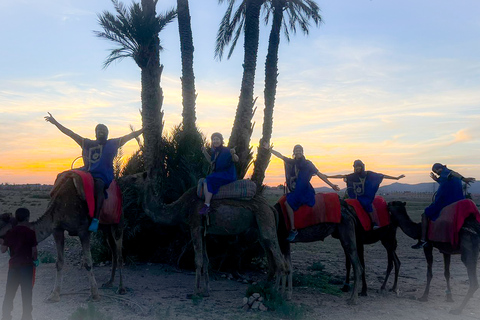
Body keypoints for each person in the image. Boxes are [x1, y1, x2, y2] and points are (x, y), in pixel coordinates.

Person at [45, 112, 143, 232]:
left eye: (104, 130)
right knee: (63, 175)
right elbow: (70, 133)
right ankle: (54, 205)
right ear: (95, 133)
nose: (101, 131)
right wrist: (55, 123)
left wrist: (142, 130)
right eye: (99, 129)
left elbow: (129, 136)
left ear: (107, 133)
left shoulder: (112, 143)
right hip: (87, 171)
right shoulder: (87, 143)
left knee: (99, 185)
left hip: (102, 174)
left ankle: (95, 219)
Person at [264, 143, 340, 242]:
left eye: (299, 150)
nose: (298, 152)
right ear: (294, 153)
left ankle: (293, 229)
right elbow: (281, 156)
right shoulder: (293, 162)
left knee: (288, 204)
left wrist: (332, 185)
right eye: (296, 150)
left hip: (305, 190)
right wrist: (270, 150)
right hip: (296, 190)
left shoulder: (308, 164)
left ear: (302, 152)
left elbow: (320, 174)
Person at [412, 163, 475, 249]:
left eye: (435, 171)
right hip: (457, 200)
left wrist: (464, 179)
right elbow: (445, 182)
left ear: (439, 168)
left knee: (425, 214)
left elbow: (453, 172)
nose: (436, 173)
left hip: (445, 202)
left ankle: (423, 240)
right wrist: (437, 180)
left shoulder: (446, 172)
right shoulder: (445, 176)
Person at [328, 160, 405, 229]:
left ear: (362, 167)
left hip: (366, 197)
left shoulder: (369, 174)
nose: (357, 168)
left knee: (367, 204)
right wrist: (328, 176)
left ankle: (373, 222)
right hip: (355, 196)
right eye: (355, 167)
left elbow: (382, 176)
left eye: (358, 166)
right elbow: (341, 176)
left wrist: (396, 178)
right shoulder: (353, 176)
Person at [1, 208, 38, 320]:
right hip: (26, 267)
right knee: (26, 294)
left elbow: (3, 250)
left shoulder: (10, 232)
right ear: (28, 218)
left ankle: (6, 315)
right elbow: (34, 251)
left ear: (16, 218)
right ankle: (26, 316)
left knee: (9, 293)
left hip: (13, 267)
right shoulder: (31, 233)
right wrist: (35, 260)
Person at [199, 132, 238, 215]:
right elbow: (211, 161)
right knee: (207, 180)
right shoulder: (215, 152)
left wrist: (233, 154)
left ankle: (206, 205)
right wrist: (204, 152)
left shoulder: (226, 150)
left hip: (228, 174)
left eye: (217, 139)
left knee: (209, 179)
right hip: (219, 175)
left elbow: (236, 159)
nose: (215, 141)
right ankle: (207, 204)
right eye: (214, 139)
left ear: (221, 140)